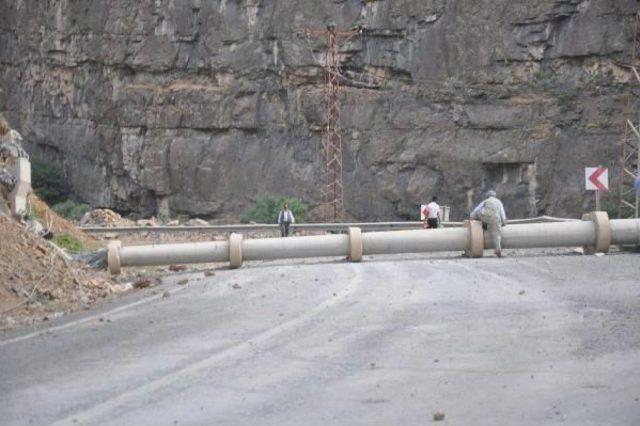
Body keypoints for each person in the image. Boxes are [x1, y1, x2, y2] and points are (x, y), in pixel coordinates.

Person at [470, 190, 507, 257]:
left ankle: (481, 225)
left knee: (477, 214)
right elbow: (502, 212)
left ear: (487, 196)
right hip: (495, 219)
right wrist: (504, 221)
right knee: (497, 235)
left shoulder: (485, 201)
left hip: (485, 217)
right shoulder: (499, 202)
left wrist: (472, 217)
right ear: (495, 196)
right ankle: (498, 250)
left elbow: (477, 209)